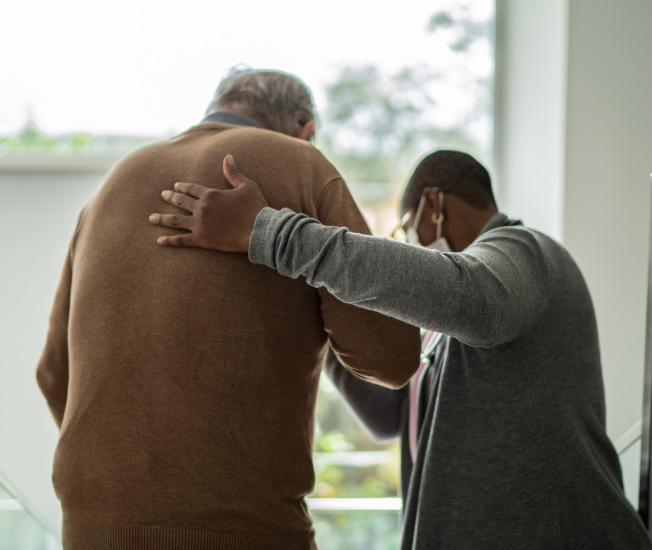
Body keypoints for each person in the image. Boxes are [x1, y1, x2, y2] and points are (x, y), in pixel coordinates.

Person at [147, 150, 652, 549]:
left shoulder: (527, 252)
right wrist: (324, 306)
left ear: (434, 203)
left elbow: (474, 301)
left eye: (407, 226)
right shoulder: (442, 331)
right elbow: (389, 416)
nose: (410, 240)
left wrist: (274, 235)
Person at [36, 67, 420, 550]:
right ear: (306, 130)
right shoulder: (302, 164)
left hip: (92, 529)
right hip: (244, 530)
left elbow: (53, 375)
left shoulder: (110, 187)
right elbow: (391, 355)